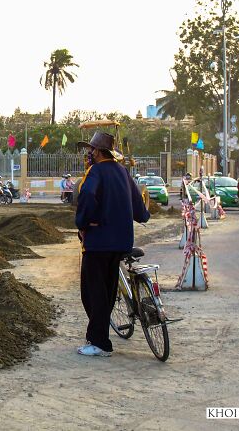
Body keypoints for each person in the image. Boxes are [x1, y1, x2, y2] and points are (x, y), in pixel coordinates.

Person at [75, 132, 150, 357]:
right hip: (122, 241)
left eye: (90, 150)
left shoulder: (95, 172)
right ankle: (98, 337)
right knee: (107, 291)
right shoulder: (123, 172)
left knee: (92, 292)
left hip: (98, 243)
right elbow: (138, 205)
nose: (89, 154)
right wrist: (143, 216)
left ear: (98, 152)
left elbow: (87, 195)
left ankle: (100, 343)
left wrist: (83, 222)